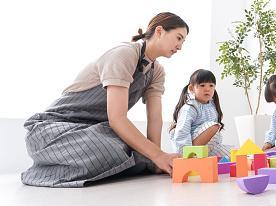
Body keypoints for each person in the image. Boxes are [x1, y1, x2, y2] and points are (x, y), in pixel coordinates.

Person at [21, 12, 188, 187]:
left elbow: (154, 118)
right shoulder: (124, 54)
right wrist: (156, 155)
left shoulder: (157, 72)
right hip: (53, 129)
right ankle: (43, 171)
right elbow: (117, 119)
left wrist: (156, 159)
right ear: (160, 31)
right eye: (178, 38)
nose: (180, 47)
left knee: (127, 148)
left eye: (183, 42)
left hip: (95, 130)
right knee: (113, 149)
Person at [169, 69, 231, 157]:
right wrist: (185, 154)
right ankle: (193, 155)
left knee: (234, 154)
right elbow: (182, 132)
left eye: (211, 86)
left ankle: (205, 157)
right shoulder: (190, 107)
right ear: (191, 88)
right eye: (202, 85)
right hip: (190, 147)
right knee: (213, 126)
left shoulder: (213, 106)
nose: (207, 89)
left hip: (209, 147)